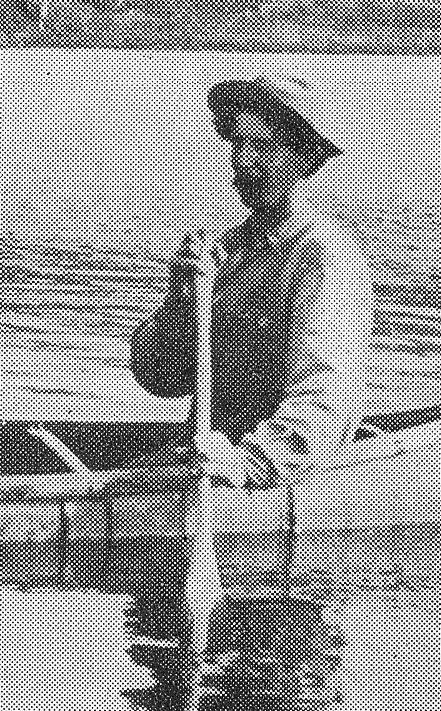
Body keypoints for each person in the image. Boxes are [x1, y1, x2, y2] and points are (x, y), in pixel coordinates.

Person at [131, 76, 373, 489]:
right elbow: (158, 376)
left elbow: (326, 395)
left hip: (276, 475)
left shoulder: (326, 257)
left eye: (261, 147)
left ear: (303, 160)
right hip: (204, 455)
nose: (243, 161)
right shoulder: (219, 249)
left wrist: (250, 462)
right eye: (238, 145)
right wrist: (182, 301)